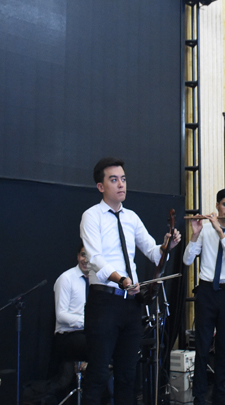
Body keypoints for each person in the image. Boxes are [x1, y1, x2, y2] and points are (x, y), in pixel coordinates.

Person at [80, 157, 181, 405]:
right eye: (114, 180)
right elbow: (95, 258)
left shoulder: (131, 217)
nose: (121, 184)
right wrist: (121, 279)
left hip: (131, 304)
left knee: (128, 375)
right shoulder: (91, 216)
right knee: (98, 372)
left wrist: (167, 246)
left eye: (123, 179)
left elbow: (153, 252)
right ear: (101, 186)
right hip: (104, 302)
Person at [183, 188, 225, 405]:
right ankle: (199, 396)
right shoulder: (205, 230)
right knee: (202, 346)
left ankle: (219, 395)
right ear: (217, 205)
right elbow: (187, 260)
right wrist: (195, 234)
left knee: (223, 346)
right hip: (207, 290)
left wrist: (220, 231)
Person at [50, 243, 90, 390]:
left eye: (90, 256)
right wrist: (87, 323)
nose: (85, 259)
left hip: (88, 333)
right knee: (99, 346)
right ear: (78, 256)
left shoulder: (98, 280)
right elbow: (61, 315)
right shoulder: (66, 278)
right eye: (83, 255)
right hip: (67, 337)